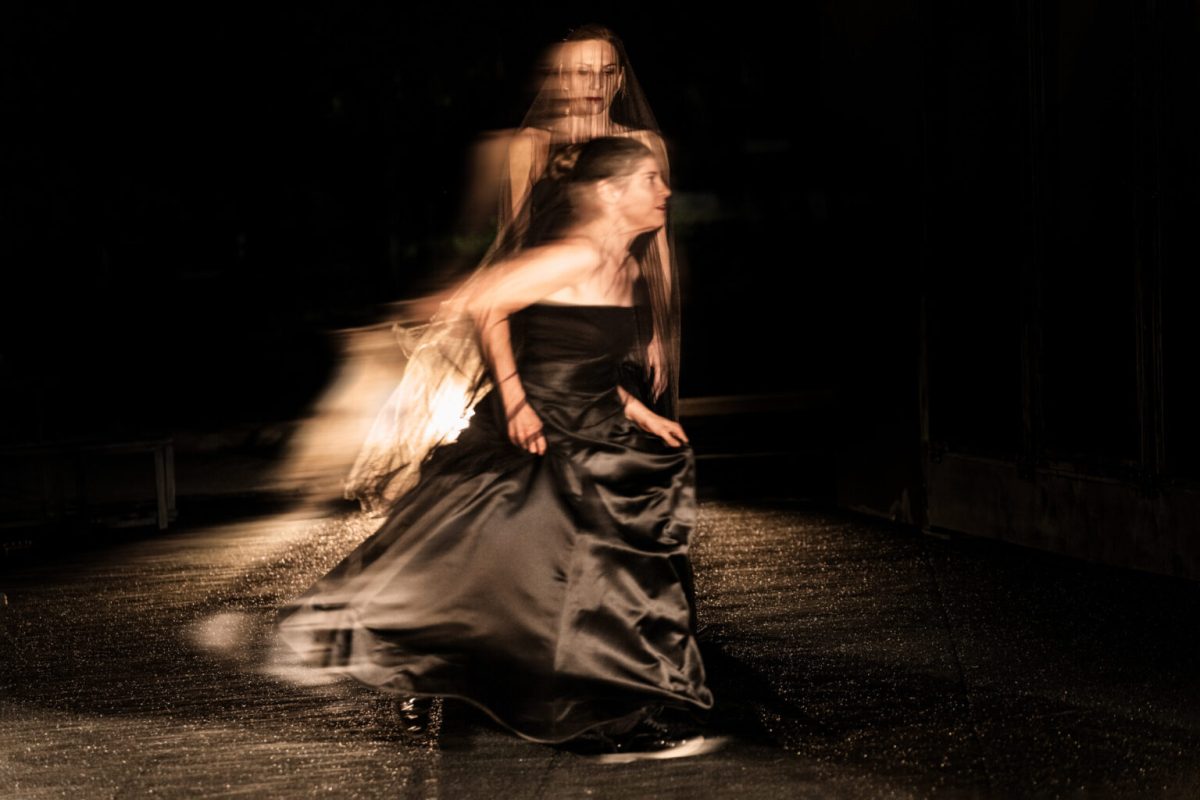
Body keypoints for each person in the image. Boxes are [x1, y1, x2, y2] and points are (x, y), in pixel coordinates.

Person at [274, 137, 715, 759]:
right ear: (610, 192)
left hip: (591, 424)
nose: (664, 191)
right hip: (540, 426)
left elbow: (585, 356)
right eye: (649, 178)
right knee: (539, 563)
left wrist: (637, 408)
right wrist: (514, 402)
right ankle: (599, 715)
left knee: (568, 572)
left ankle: (593, 702)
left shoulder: (629, 267)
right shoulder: (574, 254)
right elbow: (487, 303)